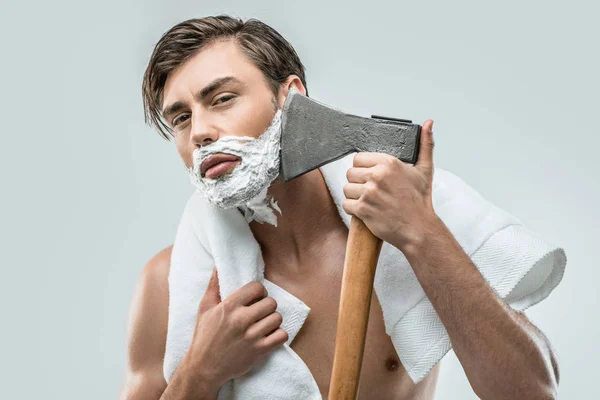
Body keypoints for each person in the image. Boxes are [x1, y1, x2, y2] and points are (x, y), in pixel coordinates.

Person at [120, 15, 560, 399]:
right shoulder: (169, 284)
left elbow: (533, 393)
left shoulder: (407, 234)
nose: (200, 131)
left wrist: (422, 234)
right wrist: (201, 371)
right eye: (181, 118)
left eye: (222, 99)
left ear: (291, 97)